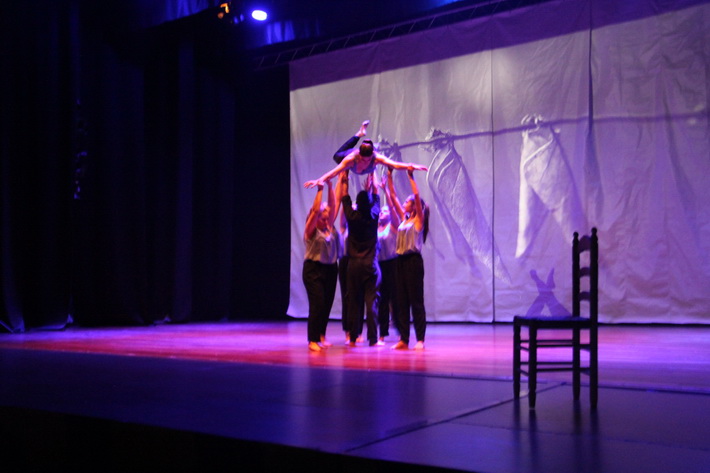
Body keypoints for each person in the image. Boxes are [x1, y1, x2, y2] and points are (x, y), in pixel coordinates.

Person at [303, 121, 429, 189]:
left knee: (373, 165)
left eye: (367, 160)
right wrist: (319, 180)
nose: (365, 162)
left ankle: (369, 140)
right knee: (336, 157)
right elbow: (333, 172)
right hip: (349, 153)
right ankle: (359, 134)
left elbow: (395, 165)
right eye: (363, 160)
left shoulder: (376, 158)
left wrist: (411, 165)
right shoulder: (351, 159)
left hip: (370, 157)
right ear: (359, 155)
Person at [390, 168, 430, 350]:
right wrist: (388, 178)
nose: (404, 203)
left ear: (415, 206)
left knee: (416, 302)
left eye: (408, 202)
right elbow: (393, 198)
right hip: (400, 262)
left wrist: (410, 176)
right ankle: (404, 339)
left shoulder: (418, 220)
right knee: (402, 302)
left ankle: (420, 339)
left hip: (413, 262)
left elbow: (416, 195)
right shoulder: (404, 219)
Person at [340, 172, 381, 346]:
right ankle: (373, 338)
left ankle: (353, 337)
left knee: (353, 302)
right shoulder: (374, 215)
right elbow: (376, 193)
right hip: (370, 264)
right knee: (371, 302)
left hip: (354, 264)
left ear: (357, 204)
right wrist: (372, 171)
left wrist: (345, 176)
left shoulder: (351, 217)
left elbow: (345, 197)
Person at [302, 178, 339, 352]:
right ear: (315, 218)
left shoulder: (328, 227)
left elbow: (333, 205)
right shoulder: (311, 230)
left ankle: (321, 335)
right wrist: (320, 189)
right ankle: (313, 339)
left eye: (326, 219)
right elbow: (317, 210)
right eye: (322, 219)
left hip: (330, 269)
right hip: (313, 269)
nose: (326, 221)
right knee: (317, 303)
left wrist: (331, 186)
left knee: (326, 304)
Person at [376, 167, 402, 344]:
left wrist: (386, 190)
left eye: (384, 211)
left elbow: (392, 209)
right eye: (381, 211)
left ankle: (401, 332)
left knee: (395, 300)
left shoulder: (392, 227)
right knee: (382, 300)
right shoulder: (375, 228)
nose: (382, 212)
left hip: (393, 265)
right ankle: (382, 334)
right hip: (379, 265)